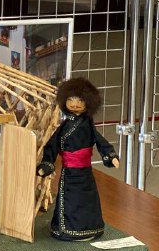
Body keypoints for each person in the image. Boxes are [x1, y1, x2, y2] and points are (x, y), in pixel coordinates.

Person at [37, 78, 119, 241]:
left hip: (84, 172)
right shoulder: (65, 125)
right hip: (69, 172)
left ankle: (88, 228)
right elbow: (53, 144)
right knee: (69, 199)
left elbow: (100, 140)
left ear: (88, 102)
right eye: (71, 99)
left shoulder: (87, 124)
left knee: (86, 199)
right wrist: (47, 164)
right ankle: (68, 229)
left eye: (80, 100)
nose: (75, 104)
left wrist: (110, 155)